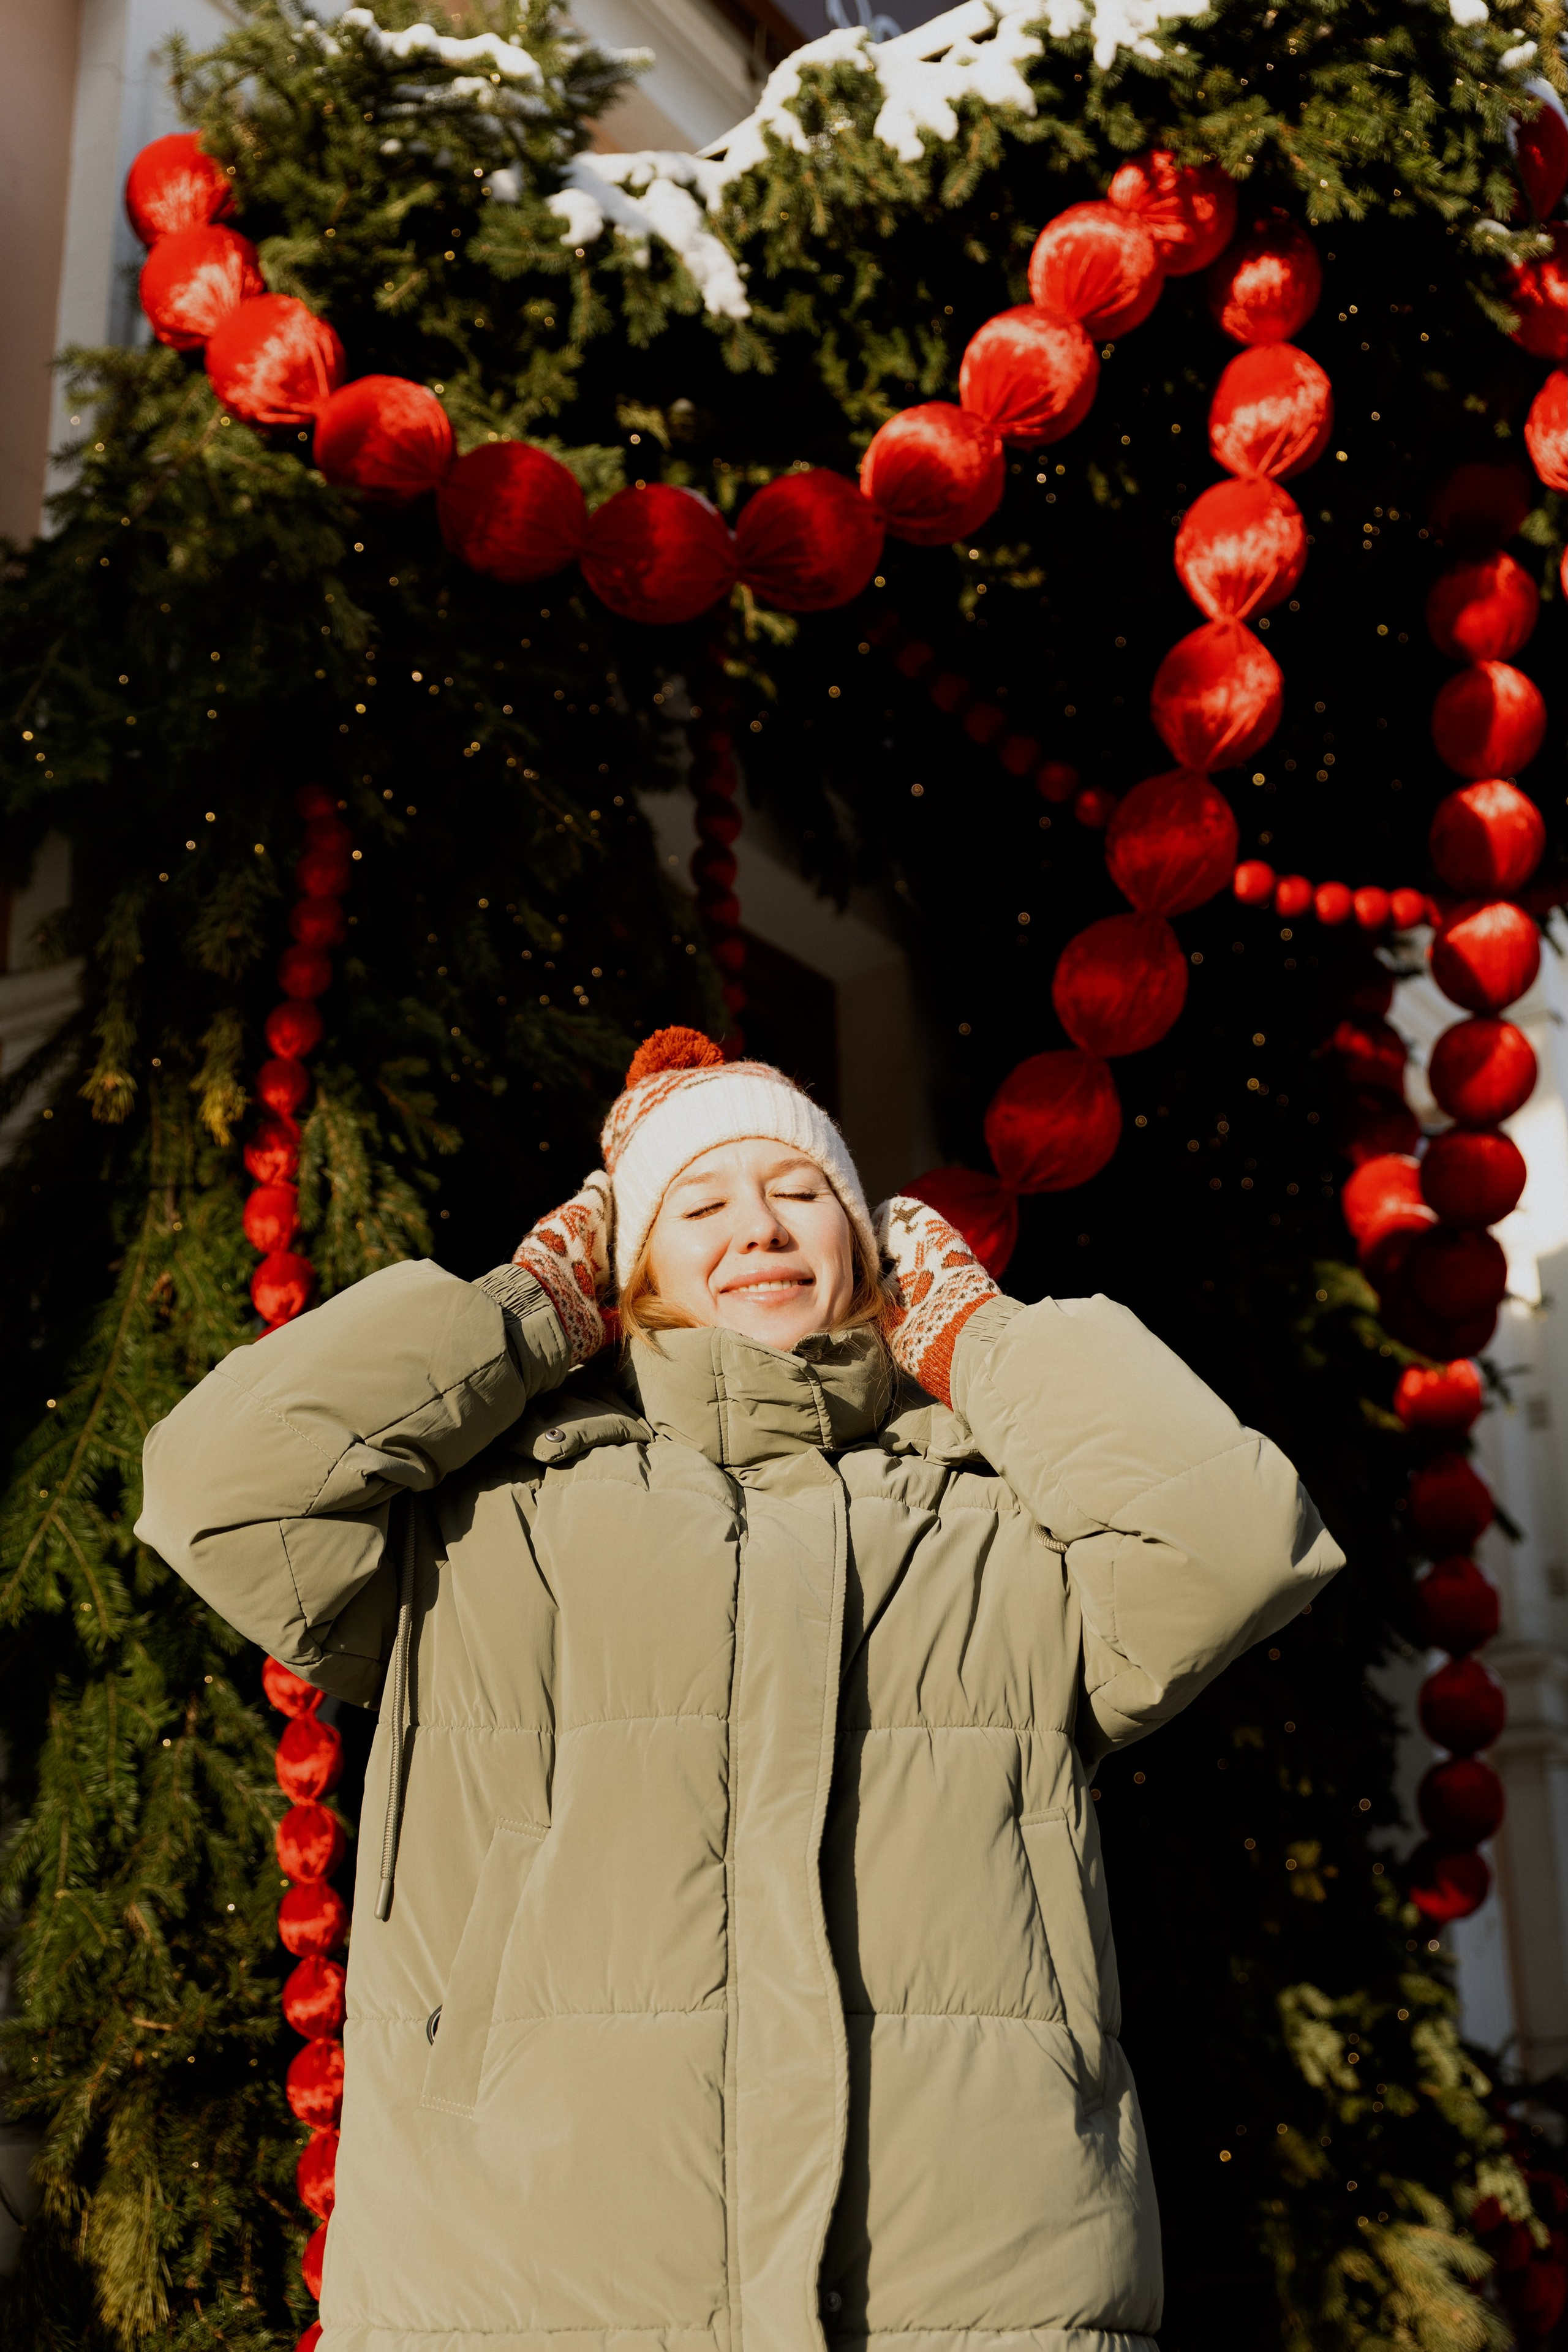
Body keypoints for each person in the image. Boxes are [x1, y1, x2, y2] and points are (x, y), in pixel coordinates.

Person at [139, 1024, 1343, 2352]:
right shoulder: (486, 1519)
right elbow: (220, 1486)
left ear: (870, 1251)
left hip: (968, 2274)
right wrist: (525, 1311)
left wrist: (979, 1340)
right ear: (626, 1267)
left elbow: (1234, 1544)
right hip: (519, 2272)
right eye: (698, 1204)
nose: (760, 1225)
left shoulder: (995, 1520)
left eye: (801, 1190)